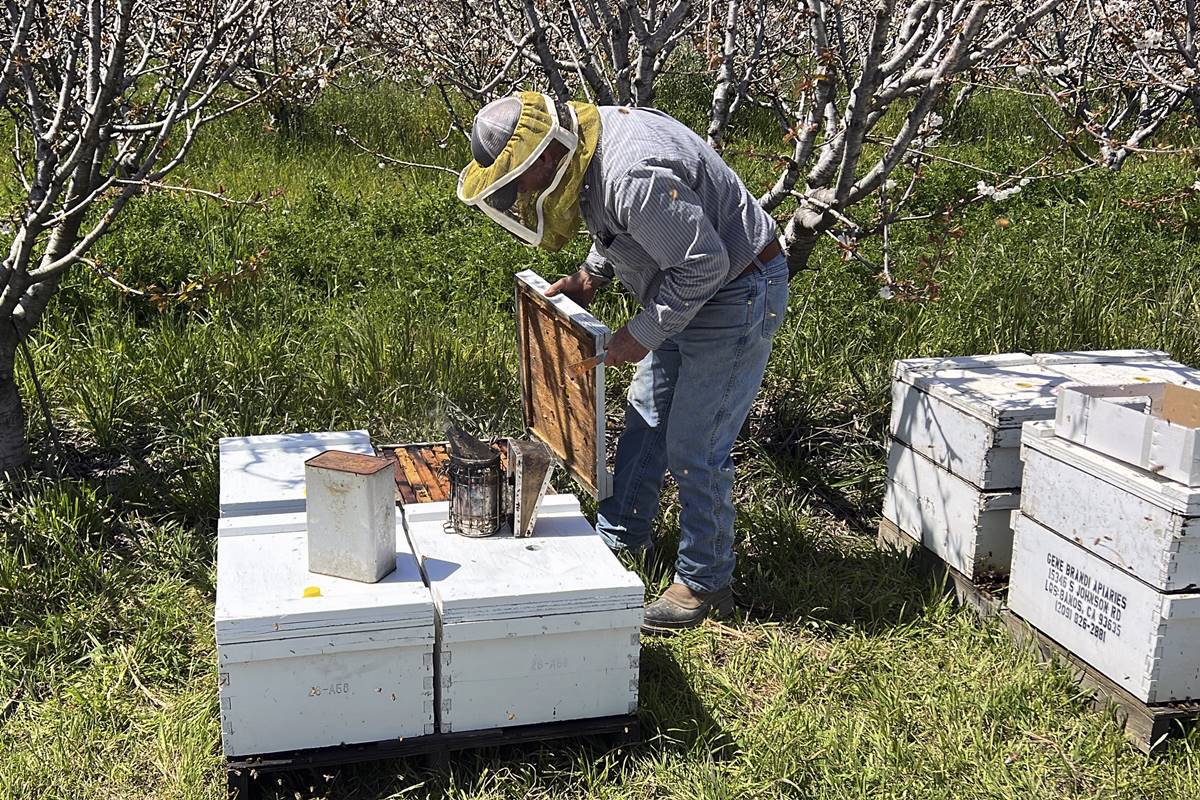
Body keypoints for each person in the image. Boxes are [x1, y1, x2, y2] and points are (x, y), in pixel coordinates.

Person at [457, 92, 788, 633]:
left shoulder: (632, 173)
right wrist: (592, 275)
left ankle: (705, 583)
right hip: (684, 285)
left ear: (546, 155)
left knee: (696, 442)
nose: (525, 193)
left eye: (523, 181)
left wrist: (640, 334)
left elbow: (705, 265)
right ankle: (621, 538)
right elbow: (615, 224)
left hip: (735, 289)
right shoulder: (588, 149)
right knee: (646, 413)